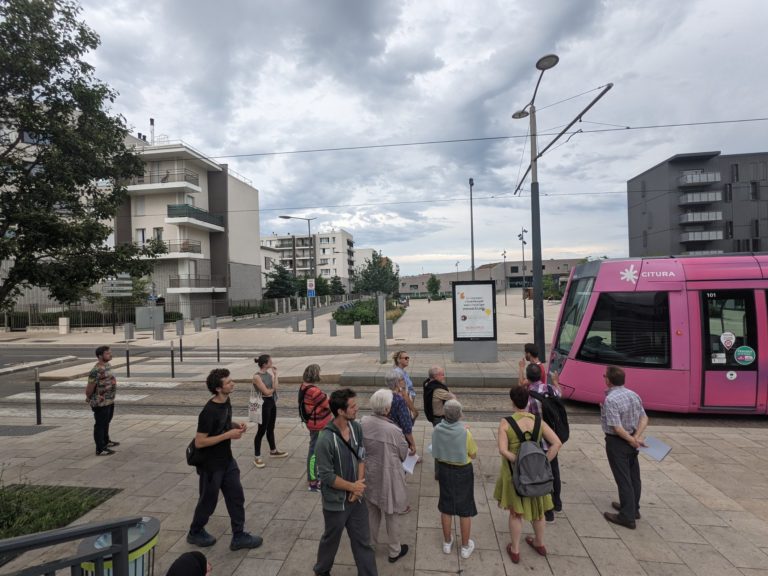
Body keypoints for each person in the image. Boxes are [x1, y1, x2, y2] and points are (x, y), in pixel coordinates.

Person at [187, 369, 263, 551]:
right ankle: (195, 532)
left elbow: (222, 423)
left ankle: (239, 536)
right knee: (208, 501)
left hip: (227, 461)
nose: (232, 384)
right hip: (211, 466)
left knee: (236, 496)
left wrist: (234, 424)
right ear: (219, 388)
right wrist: (228, 434)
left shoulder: (226, 401)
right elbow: (200, 441)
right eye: (228, 382)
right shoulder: (208, 411)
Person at [313, 388, 378, 576]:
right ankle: (322, 570)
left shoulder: (356, 428)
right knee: (331, 539)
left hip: (356, 499)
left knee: (363, 541)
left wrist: (357, 488)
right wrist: (351, 487)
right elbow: (326, 476)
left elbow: (361, 457)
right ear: (340, 411)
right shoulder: (325, 440)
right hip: (336, 502)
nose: (356, 409)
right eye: (352, 406)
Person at [494, 384, 561, 564]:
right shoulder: (538, 421)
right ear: (528, 401)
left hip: (515, 474)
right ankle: (539, 543)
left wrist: (518, 460)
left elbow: (502, 450)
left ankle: (515, 550)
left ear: (512, 401)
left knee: (516, 513)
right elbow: (556, 443)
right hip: (537, 473)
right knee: (539, 511)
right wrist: (544, 461)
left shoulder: (506, 422)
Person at [361, 389, 410, 564]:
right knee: (392, 513)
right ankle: (394, 551)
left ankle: (370, 545)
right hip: (389, 476)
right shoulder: (393, 430)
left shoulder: (363, 422)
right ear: (388, 408)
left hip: (370, 473)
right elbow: (403, 453)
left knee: (371, 512)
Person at [601, 365, 649, 530]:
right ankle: (633, 508)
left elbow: (617, 428)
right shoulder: (633, 394)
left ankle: (627, 517)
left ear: (608, 380)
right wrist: (636, 437)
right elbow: (644, 418)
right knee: (634, 475)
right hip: (632, 439)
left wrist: (631, 439)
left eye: (604, 376)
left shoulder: (611, 400)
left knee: (623, 479)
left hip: (617, 442)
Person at [431, 399, 478, 559]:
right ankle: (465, 547)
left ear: (444, 413)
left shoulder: (437, 429)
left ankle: (446, 543)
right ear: (460, 415)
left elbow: (435, 452)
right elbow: (473, 454)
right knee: (465, 509)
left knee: (446, 506)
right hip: (463, 471)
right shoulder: (466, 432)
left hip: (444, 470)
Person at [524, 363, 563, 523]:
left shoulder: (528, 395)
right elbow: (560, 395)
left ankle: (547, 512)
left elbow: (526, 416)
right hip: (553, 437)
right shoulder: (550, 389)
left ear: (528, 377)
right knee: (554, 472)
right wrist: (555, 382)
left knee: (541, 475)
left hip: (538, 441)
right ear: (540, 376)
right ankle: (557, 503)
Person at [252, 354, 288, 468]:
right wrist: (271, 390)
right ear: (264, 364)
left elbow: (275, 387)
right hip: (263, 404)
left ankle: (273, 451)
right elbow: (266, 392)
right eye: (270, 361)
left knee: (271, 428)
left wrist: (276, 374)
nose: (271, 362)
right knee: (261, 431)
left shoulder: (268, 374)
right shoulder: (257, 377)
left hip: (271, 403)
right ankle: (257, 457)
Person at [301, 363, 332, 491]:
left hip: (312, 423)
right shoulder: (315, 391)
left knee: (315, 449)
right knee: (314, 452)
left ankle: (314, 474)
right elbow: (328, 404)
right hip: (318, 424)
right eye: (319, 372)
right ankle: (313, 482)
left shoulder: (304, 386)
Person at [85, 345, 119, 456]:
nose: (110, 354)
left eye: (110, 352)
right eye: (108, 353)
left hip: (109, 400)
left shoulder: (107, 365)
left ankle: (106, 441)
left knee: (106, 421)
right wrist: (89, 397)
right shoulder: (96, 370)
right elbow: (89, 388)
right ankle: (100, 448)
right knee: (100, 424)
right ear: (100, 356)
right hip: (100, 402)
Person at [383, 370, 417, 457]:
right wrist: (412, 443)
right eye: (402, 379)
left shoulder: (384, 396)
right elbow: (406, 425)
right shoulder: (399, 400)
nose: (404, 381)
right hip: (399, 435)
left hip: (388, 434)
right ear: (397, 383)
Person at [392, 351, 418, 418]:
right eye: (406, 358)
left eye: (408, 358)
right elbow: (403, 393)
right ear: (398, 360)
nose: (408, 359)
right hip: (405, 405)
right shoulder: (398, 373)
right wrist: (413, 409)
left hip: (407, 403)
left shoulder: (403, 372)